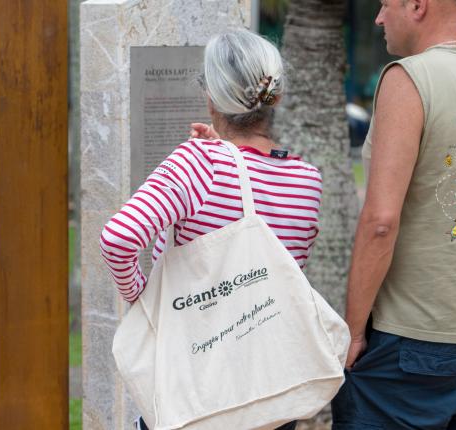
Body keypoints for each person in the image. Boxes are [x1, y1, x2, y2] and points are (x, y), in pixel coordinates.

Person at [99, 29, 323, 430]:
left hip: (198, 386)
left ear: (211, 97)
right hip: (268, 391)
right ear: (278, 97)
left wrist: (144, 300)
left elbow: (118, 239)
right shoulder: (306, 179)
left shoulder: (199, 163)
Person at [334, 1, 456, 428]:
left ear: (417, 5)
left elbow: (380, 221)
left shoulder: (408, 78)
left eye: (386, 4)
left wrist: (351, 333)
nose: (378, 17)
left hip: (409, 341)